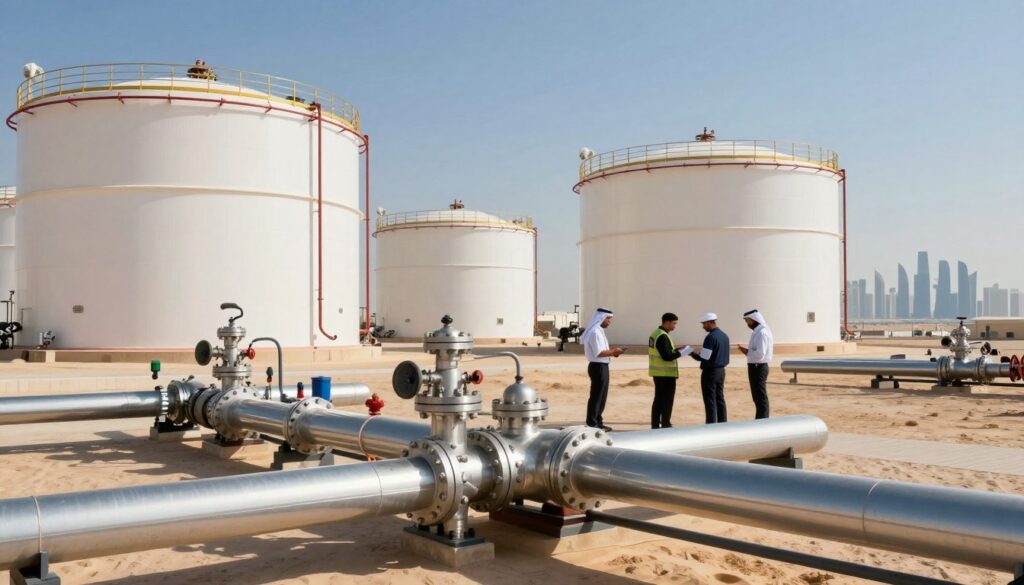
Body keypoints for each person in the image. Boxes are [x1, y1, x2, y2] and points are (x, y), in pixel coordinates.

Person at [580, 307, 626, 431]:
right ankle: (592, 423)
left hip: (602, 366)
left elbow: (603, 352)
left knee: (602, 396)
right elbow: (599, 353)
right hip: (598, 367)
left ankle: (598, 422)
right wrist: (614, 351)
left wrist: (614, 353)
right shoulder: (595, 332)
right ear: (601, 318)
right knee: (597, 396)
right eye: (608, 319)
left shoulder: (599, 331)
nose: (609, 321)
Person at [690, 312, 730, 423]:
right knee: (720, 398)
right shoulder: (724, 336)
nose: (703, 327)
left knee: (710, 400)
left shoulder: (710, 337)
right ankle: (723, 423)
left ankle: (711, 425)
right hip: (721, 371)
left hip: (710, 373)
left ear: (709, 323)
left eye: (704, 324)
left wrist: (691, 353)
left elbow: (704, 357)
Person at [738, 309, 774, 419]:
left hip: (759, 367)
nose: (747, 323)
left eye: (747, 321)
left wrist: (746, 351)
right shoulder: (757, 332)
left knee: (760, 396)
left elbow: (760, 354)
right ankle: (760, 419)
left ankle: (763, 421)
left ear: (753, 319)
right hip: (755, 366)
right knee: (757, 397)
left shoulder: (762, 333)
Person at [648, 312, 682, 429]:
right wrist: (681, 353)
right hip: (666, 375)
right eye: (674, 324)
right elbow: (667, 356)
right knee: (667, 401)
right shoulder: (662, 336)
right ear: (667, 322)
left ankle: (655, 425)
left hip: (658, 373)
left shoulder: (655, 333)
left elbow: (665, 351)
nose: (674, 326)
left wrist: (677, 350)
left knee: (658, 400)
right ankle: (666, 424)